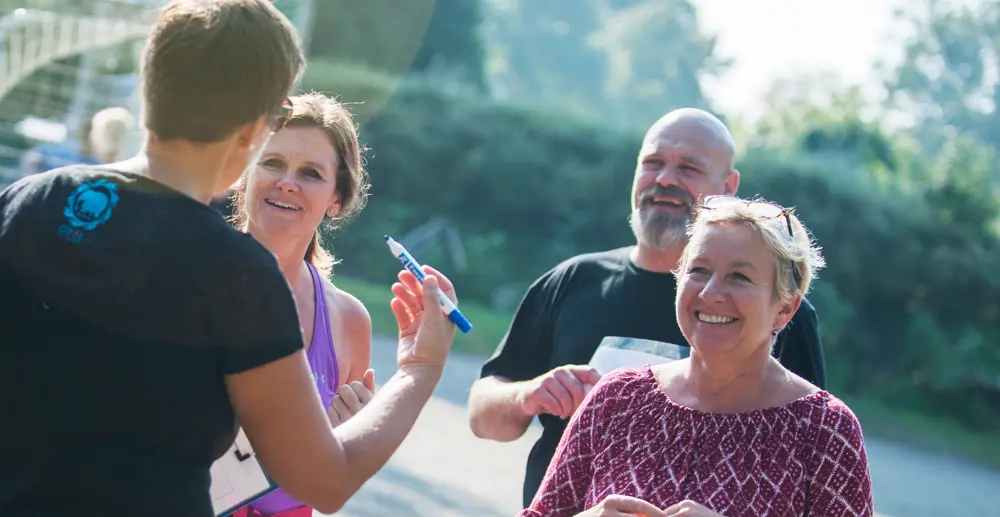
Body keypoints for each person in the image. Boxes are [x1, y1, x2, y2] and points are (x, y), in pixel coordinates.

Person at [0, 2, 458, 517]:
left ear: (151, 89)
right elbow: (325, 482)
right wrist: (421, 367)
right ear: (253, 128)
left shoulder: (28, 202)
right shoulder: (237, 276)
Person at [467, 108, 828, 507]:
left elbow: (805, 464)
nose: (666, 179)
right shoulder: (574, 281)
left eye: (689, 168)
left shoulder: (773, 315)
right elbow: (481, 415)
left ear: (728, 187)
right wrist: (528, 395)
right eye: (653, 162)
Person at [520, 196, 873, 517]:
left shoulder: (824, 432)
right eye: (699, 270)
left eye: (739, 277)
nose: (710, 292)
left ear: (785, 308)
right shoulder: (618, 398)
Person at [228, 92, 376, 517]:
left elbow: (332, 489)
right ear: (245, 174)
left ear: (336, 199)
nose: (287, 181)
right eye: (273, 163)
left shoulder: (348, 321)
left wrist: (347, 444)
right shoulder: (186, 278)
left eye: (310, 173)